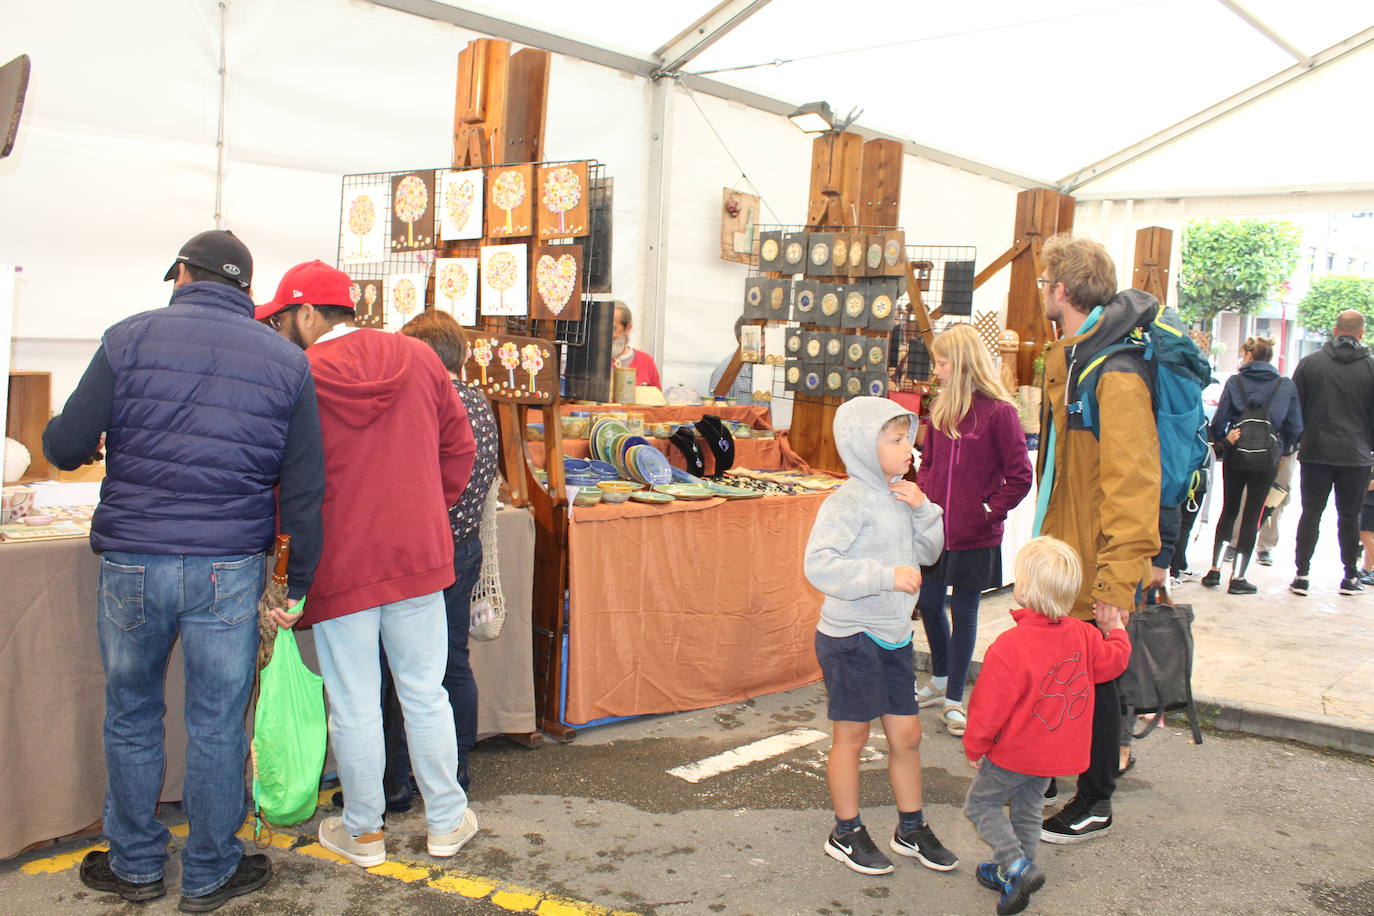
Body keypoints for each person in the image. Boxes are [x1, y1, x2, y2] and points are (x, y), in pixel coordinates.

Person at [42, 230, 324, 912]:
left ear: (182, 274)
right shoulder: (286, 361)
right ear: (247, 291)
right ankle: (209, 871)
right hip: (228, 566)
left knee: (133, 714)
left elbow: (65, 444)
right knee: (218, 721)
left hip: (133, 560)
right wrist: (301, 578)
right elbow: (306, 485)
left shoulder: (127, 338)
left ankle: (137, 864)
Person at [258, 260, 478, 868]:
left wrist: (287, 564)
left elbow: (285, 481)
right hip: (416, 556)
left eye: (283, 318)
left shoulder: (300, 372)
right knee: (424, 691)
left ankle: (363, 833)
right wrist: (426, 510)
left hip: (340, 561)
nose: (280, 330)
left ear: (308, 314)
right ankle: (445, 821)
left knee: (353, 701)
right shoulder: (421, 358)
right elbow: (458, 448)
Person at [1033, 233, 1160, 844]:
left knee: (1100, 677)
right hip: (1065, 553)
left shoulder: (1115, 374)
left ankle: (1096, 800)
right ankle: (1057, 770)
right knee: (1064, 668)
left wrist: (1117, 580)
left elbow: (1133, 485)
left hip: (1094, 560)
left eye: (1042, 284)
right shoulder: (1076, 358)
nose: (1041, 294)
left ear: (1062, 290)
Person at [804, 397, 957, 876]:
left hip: (893, 635)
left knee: (907, 736)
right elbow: (819, 564)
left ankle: (910, 828)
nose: (908, 449)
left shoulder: (903, 495)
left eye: (908, 439)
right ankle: (845, 831)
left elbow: (929, 554)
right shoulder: (845, 502)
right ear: (862, 447)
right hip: (851, 636)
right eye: (895, 440)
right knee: (851, 736)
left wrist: (925, 510)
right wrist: (884, 576)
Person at [963, 537, 1131, 916]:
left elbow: (988, 709)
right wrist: (1117, 629)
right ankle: (1016, 875)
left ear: (1025, 589)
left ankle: (1016, 866)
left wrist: (976, 746)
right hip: (1057, 754)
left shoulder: (1010, 645)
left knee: (981, 805)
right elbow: (1113, 663)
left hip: (1015, 752)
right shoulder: (1085, 635)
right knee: (1027, 809)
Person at [394, 310, 502, 792]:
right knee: (452, 663)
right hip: (462, 548)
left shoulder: (426, 400)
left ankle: (396, 780)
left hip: (419, 553)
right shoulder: (480, 401)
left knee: (398, 669)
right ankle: (455, 771)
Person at [915, 323, 1033, 737]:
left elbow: (1020, 476)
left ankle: (954, 700)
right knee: (929, 604)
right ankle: (943, 677)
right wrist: (925, 497)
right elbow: (927, 463)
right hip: (935, 531)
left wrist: (988, 511)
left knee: (964, 613)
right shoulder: (941, 409)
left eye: (942, 363)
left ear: (962, 364)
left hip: (976, 536)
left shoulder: (1000, 413)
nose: (937, 371)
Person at [1200, 336, 1301, 594]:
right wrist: (1283, 450)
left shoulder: (1235, 382)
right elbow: (1295, 426)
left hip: (1236, 454)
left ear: (1248, 355)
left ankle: (1214, 570)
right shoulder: (1284, 384)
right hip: (1266, 458)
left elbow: (1219, 419)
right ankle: (1238, 578)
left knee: (1229, 509)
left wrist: (1225, 440)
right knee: (1252, 514)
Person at [1290, 309, 1374, 596]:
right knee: (1350, 516)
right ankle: (1350, 577)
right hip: (1356, 455)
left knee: (1311, 512)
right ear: (1361, 333)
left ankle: (1301, 575)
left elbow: (1295, 408)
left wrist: (1298, 441)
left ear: (1335, 330)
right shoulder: (1371, 368)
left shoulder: (1310, 363)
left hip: (1315, 452)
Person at [707, 316, 767, 406]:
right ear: (742, 340)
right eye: (761, 334)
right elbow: (717, 413)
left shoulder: (764, 366)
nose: (765, 341)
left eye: (766, 334)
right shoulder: (724, 371)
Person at [612, 301, 661, 389]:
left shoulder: (646, 362)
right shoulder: (591, 361)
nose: (606, 334)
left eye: (613, 328)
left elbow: (657, 400)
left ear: (628, 328)